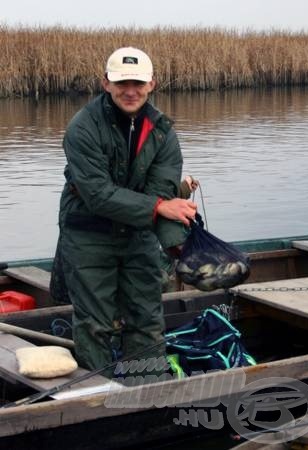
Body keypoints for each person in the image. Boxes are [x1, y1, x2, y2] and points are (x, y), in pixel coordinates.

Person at [53, 47, 197, 379]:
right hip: (88, 233)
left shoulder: (163, 131)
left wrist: (178, 246)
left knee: (146, 319)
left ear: (152, 84)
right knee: (95, 324)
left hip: (138, 233)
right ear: (106, 83)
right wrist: (161, 207)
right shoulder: (82, 127)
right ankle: (96, 398)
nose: (130, 91)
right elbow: (98, 195)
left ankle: (147, 393)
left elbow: (161, 191)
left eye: (138, 83)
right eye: (122, 83)